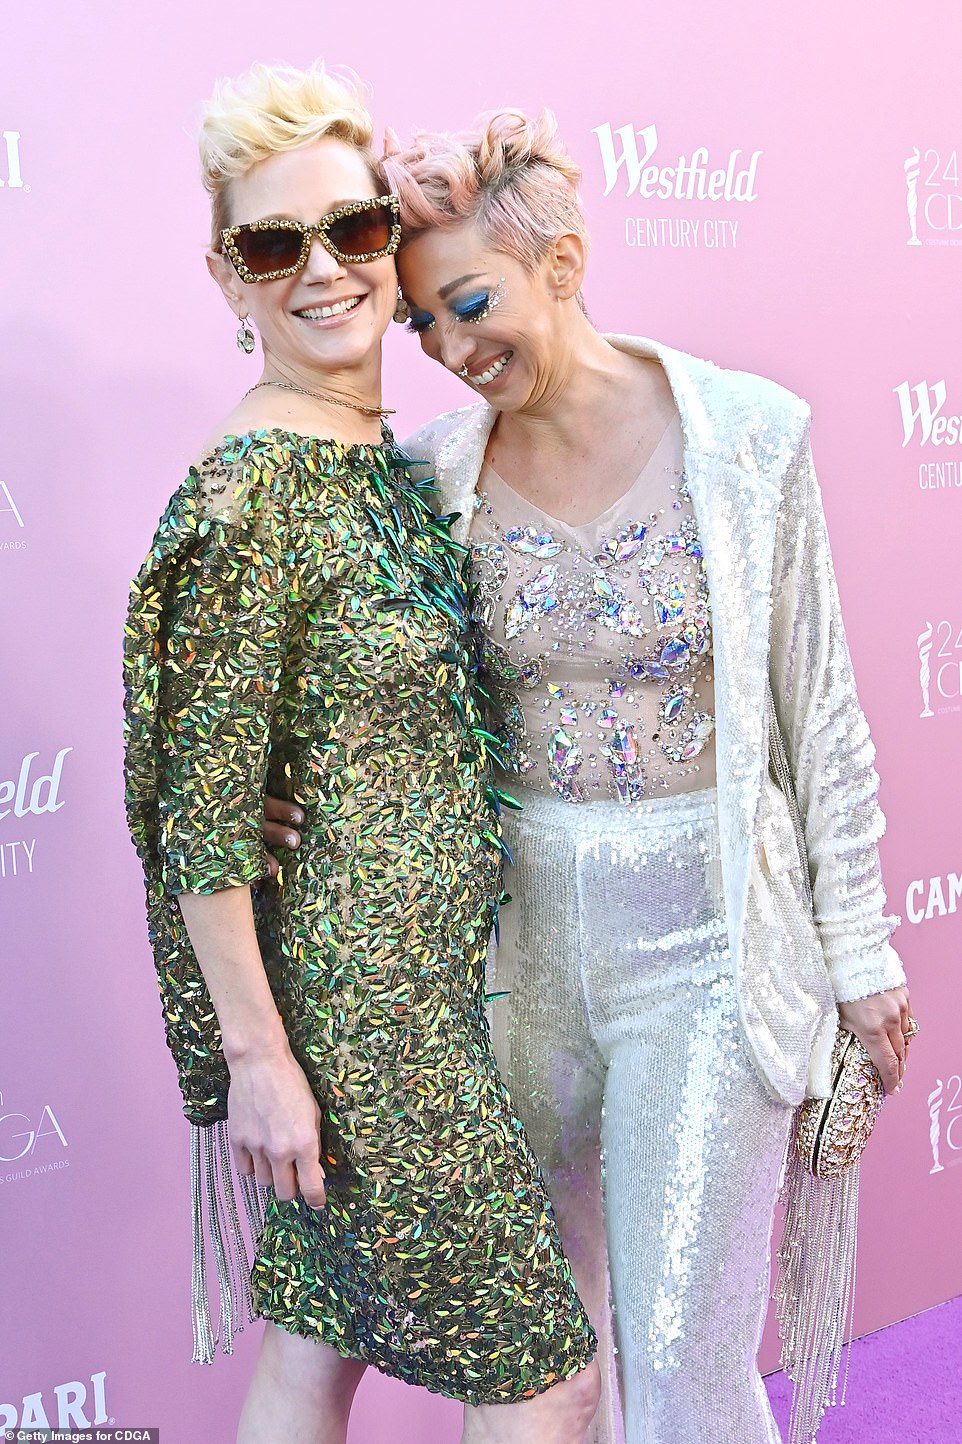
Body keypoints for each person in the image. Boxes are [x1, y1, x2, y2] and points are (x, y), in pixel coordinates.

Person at [369, 112, 913, 1444]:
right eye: (422, 327)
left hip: (706, 946)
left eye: (470, 304)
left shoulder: (745, 439)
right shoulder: (430, 474)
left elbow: (817, 713)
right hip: (518, 958)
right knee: (546, 1341)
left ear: (563, 259)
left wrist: (860, 950)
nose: (450, 350)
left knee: (681, 1342)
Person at [122, 66, 599, 1444]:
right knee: (545, 1378)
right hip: (363, 1022)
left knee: (315, 1347)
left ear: (394, 247)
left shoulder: (380, 458)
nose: (324, 270)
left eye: (355, 229)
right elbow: (201, 825)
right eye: (277, 244)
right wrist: (262, 1062)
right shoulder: (250, 492)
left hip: (431, 993)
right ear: (229, 278)